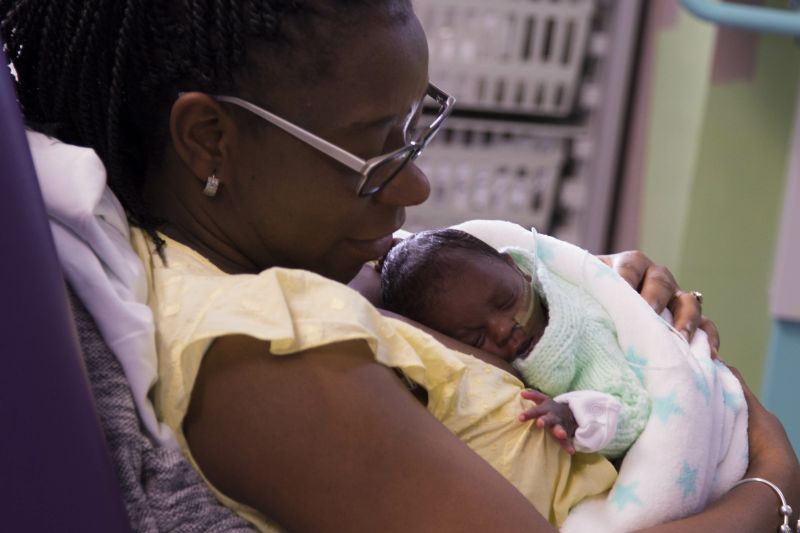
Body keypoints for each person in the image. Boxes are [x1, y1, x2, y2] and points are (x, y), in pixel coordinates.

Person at [3, 1, 797, 532]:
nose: (414, 184)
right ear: (210, 138)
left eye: (415, 130)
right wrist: (772, 487)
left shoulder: (265, 283)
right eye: (375, 147)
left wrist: (575, 305)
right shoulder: (262, 357)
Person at [380, 227, 649, 458]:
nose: (503, 328)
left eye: (506, 301)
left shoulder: (582, 330)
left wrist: (575, 416)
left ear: (517, 268)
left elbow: (634, 412)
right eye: (475, 337)